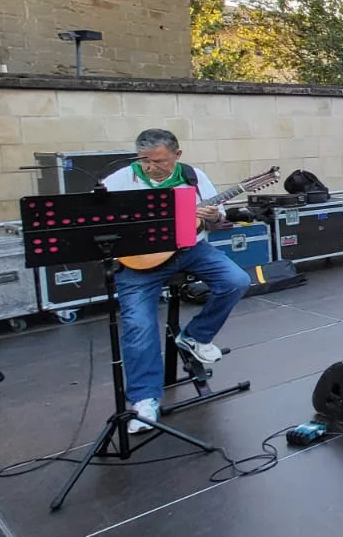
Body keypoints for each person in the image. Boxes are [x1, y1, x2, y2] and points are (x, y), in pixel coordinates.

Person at [103, 128, 251, 434]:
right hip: (140, 261)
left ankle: (195, 335)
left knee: (236, 280)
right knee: (139, 325)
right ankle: (144, 400)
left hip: (190, 249)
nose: (152, 168)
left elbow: (218, 219)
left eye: (159, 162)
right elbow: (101, 221)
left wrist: (211, 216)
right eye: (145, 162)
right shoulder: (119, 180)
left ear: (177, 155)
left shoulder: (193, 177)